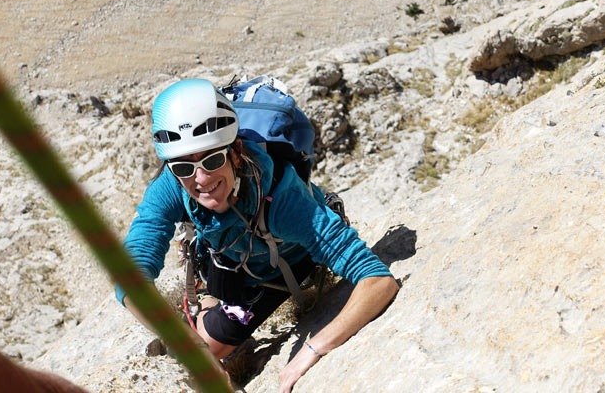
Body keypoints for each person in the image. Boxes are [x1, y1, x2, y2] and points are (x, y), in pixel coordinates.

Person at [116, 79, 398, 392]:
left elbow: (377, 281)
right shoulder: (170, 183)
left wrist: (314, 348)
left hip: (281, 264)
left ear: (236, 151)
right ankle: (209, 298)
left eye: (212, 160)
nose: (201, 178)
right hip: (225, 257)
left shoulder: (283, 200)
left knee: (212, 344)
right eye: (184, 167)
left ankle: (218, 306)